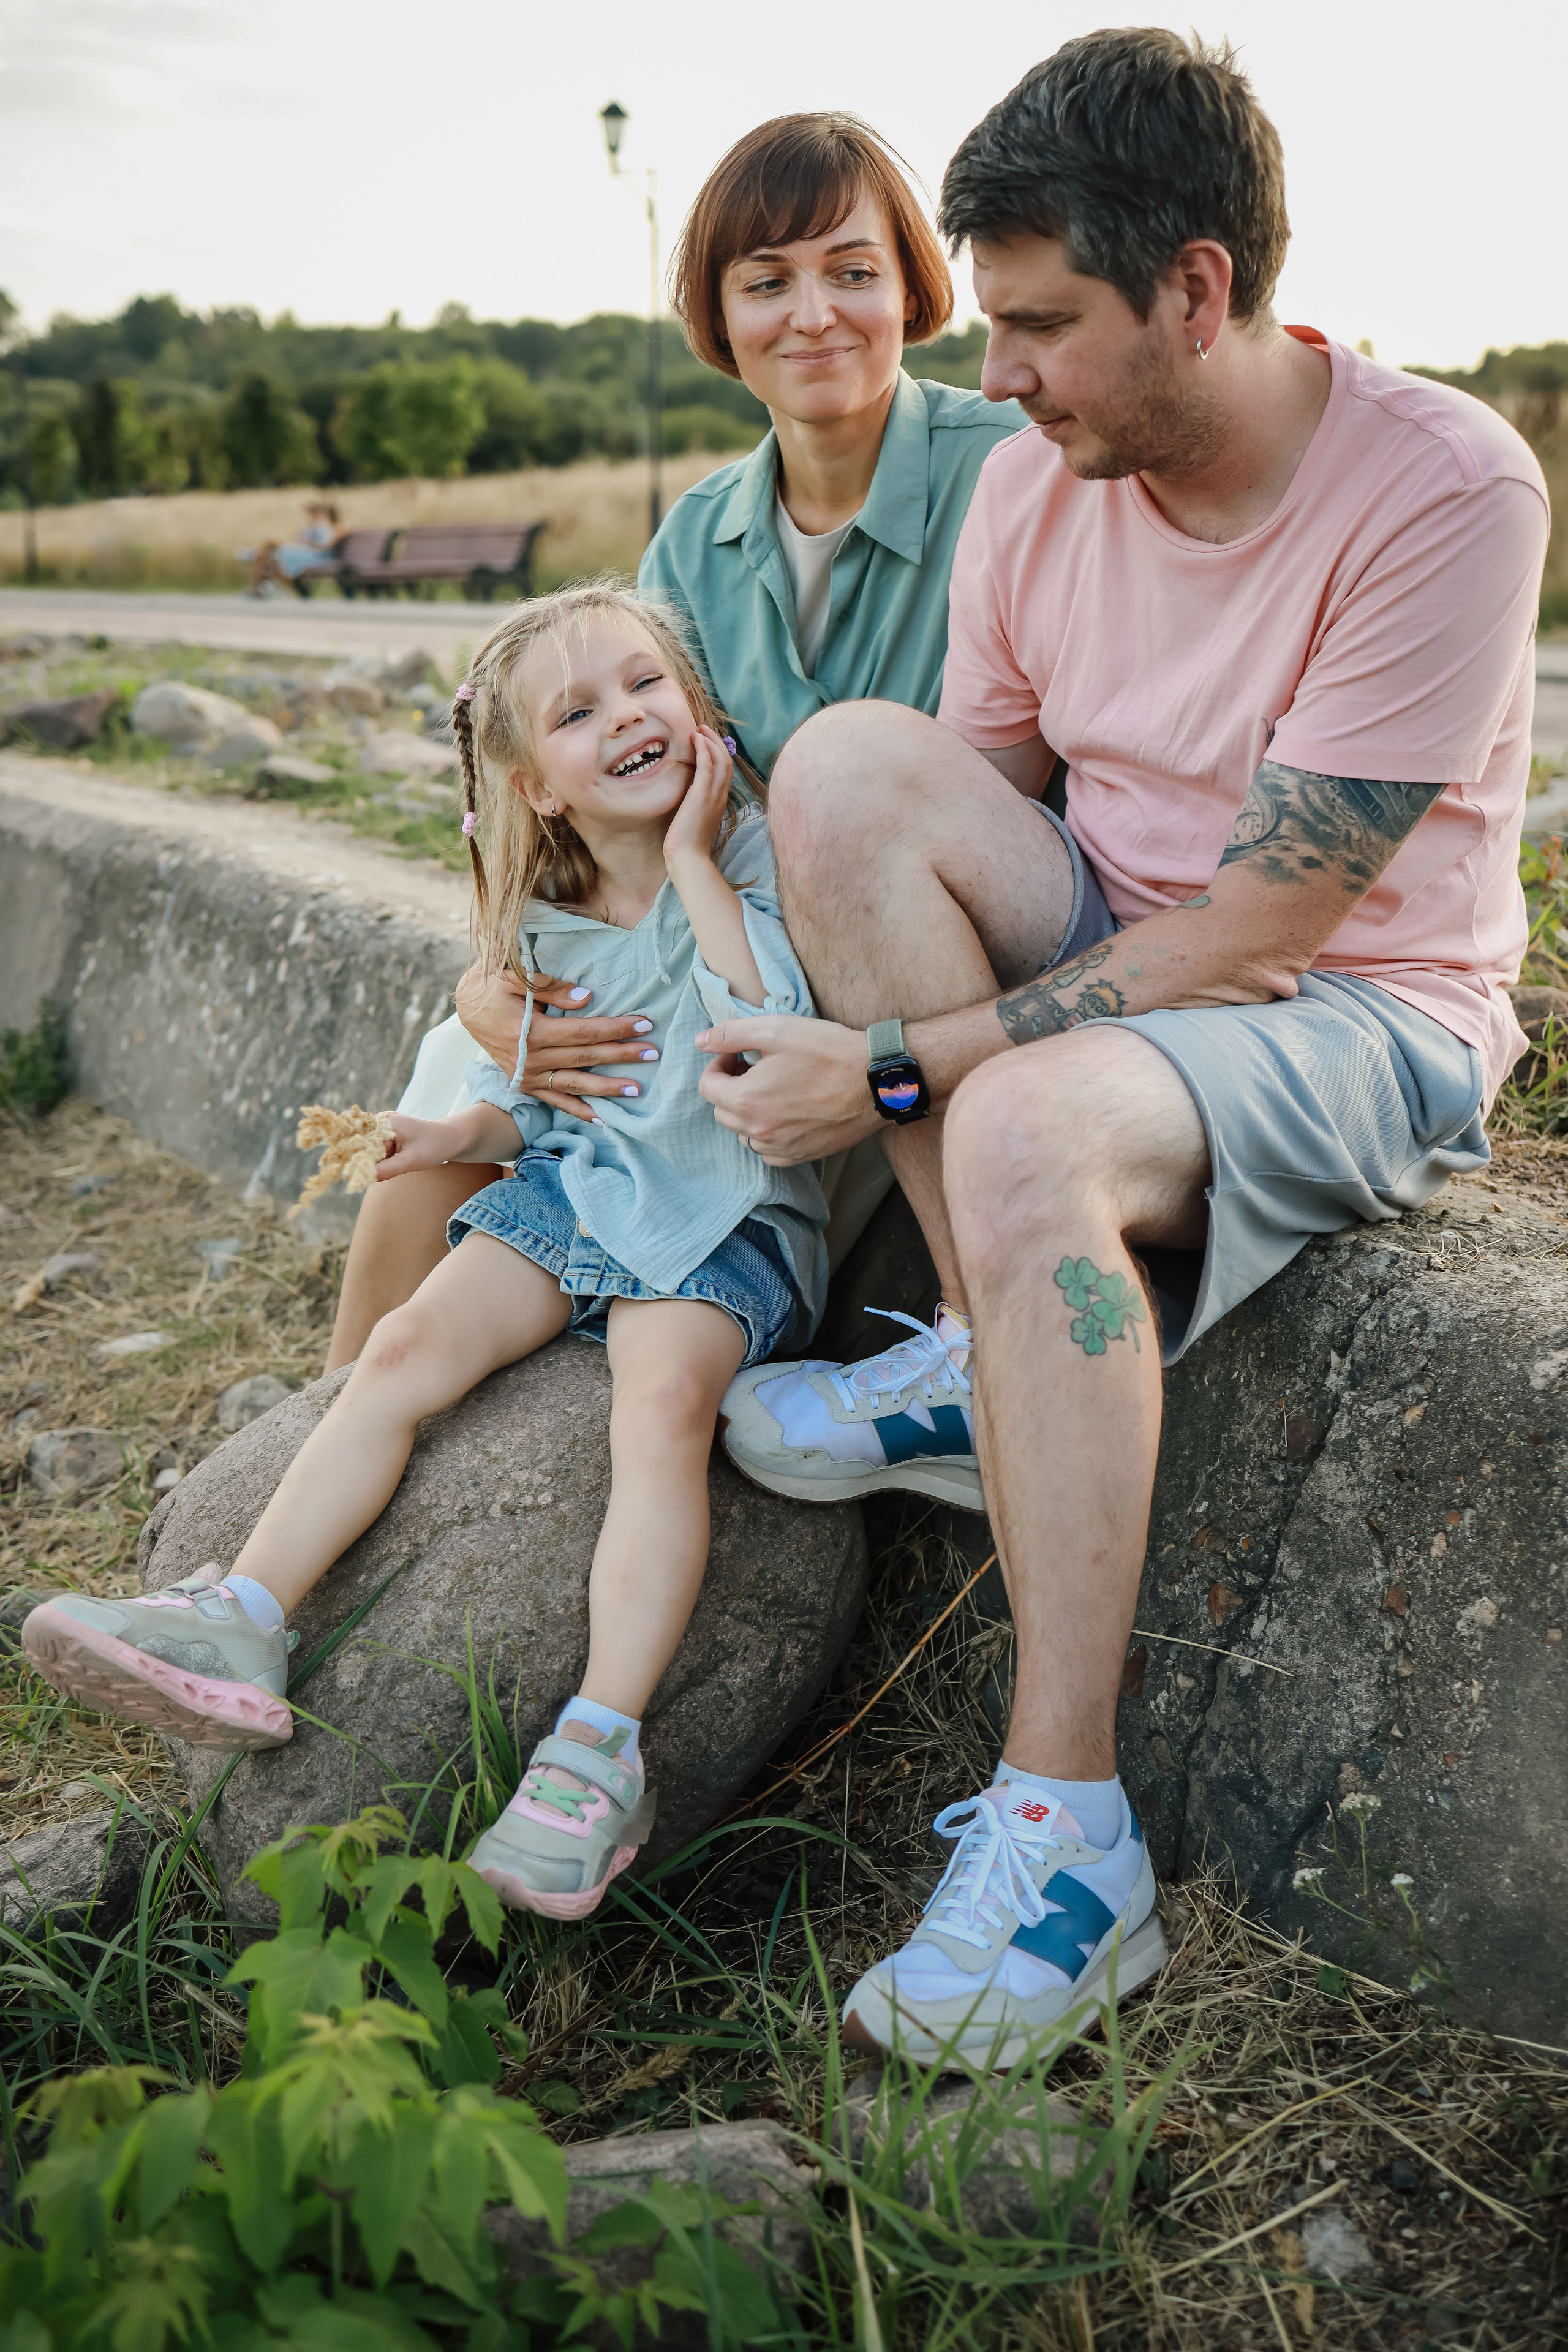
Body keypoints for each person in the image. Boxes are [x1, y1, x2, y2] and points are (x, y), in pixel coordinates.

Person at [702, 29, 1548, 2068]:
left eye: (1040, 325)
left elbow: (1266, 924)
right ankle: (991, 1348)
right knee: (837, 774)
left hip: (1361, 1000)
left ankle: (1069, 1838)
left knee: (1017, 1137)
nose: (992, 377)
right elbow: (941, 816)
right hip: (1125, 948)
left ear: (1195, 284)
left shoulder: (1442, 485)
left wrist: (893, 1068)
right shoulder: (1033, 485)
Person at [21, 584, 829, 1923]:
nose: (625, 719)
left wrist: (692, 855)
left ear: (698, 712)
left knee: (659, 1410)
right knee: (402, 1350)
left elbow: (761, 1034)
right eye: (579, 714)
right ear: (539, 787)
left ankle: (597, 1747)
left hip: (726, 1221)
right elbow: (568, 1103)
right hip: (585, 1193)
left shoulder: (751, 873)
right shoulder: (551, 933)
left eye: (643, 686)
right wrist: (461, 1123)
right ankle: (244, 1614)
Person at [324, 111, 1026, 1372]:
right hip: (714, 956)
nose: (812, 314)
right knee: (446, 1084)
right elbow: (594, 800)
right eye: (766, 283)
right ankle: (327, 1446)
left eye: (851, 272)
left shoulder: (1013, 475)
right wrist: (487, 980)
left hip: (902, 978)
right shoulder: (696, 538)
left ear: (911, 289)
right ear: (718, 318)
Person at [241, 500, 342, 597]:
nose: (309, 516)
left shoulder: (323, 527)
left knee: (275, 549)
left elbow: (323, 546)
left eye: (312, 513)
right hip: (308, 553)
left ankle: (257, 558)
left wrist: (307, 543)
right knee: (272, 548)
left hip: (316, 557)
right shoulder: (315, 528)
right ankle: (264, 577)